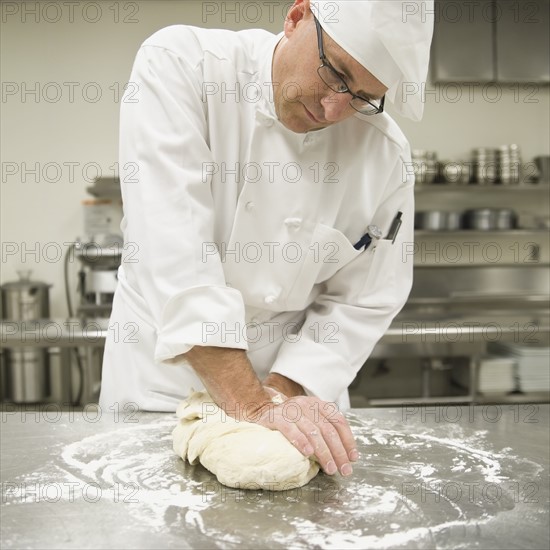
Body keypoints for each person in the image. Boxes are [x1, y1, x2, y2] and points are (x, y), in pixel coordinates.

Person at [99, 0, 434, 478]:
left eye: (363, 95)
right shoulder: (183, 66)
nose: (333, 108)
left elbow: (366, 298)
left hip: (298, 391)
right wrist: (251, 406)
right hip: (164, 381)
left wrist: (284, 394)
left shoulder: (384, 155)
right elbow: (171, 249)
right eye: (335, 73)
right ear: (297, 18)